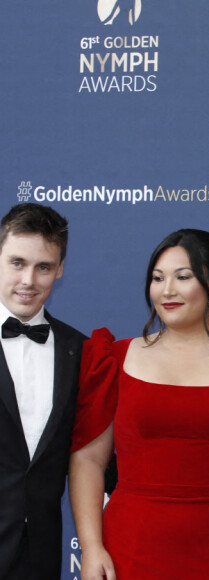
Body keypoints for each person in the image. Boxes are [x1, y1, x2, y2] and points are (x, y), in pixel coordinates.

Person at [68, 228, 209, 580]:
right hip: (128, 549)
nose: (167, 290)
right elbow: (88, 460)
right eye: (157, 278)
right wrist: (91, 547)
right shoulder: (112, 358)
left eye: (182, 277)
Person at [0, 203, 86, 580]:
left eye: (44, 267)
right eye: (17, 262)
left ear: (61, 269)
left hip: (41, 556)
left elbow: (95, 458)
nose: (29, 280)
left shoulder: (80, 351)